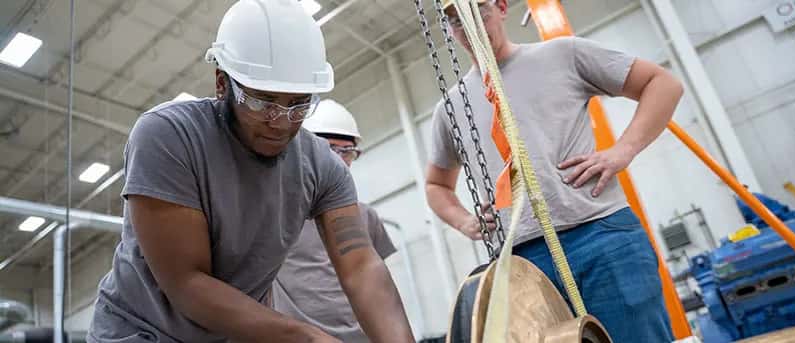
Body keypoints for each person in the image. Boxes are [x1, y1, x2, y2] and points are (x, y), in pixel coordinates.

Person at [87, 1, 414, 342]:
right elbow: (187, 283)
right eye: (262, 101)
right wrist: (308, 337)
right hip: (141, 332)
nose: (280, 122)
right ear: (222, 83)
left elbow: (361, 267)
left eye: (298, 105)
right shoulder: (168, 137)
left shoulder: (323, 167)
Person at [425, 0, 684, 342]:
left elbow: (662, 84)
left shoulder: (563, 55)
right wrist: (464, 221)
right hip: (522, 259)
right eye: (456, 20)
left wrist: (622, 150)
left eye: (479, 9)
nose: (469, 25)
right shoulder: (451, 109)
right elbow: (436, 185)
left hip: (600, 235)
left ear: (501, 7)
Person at [271, 99, 398, 343]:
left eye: (347, 151)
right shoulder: (275, 215)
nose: (339, 161)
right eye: (330, 149)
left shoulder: (365, 217)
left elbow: (378, 286)